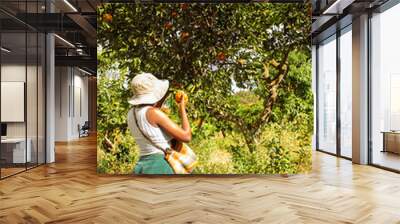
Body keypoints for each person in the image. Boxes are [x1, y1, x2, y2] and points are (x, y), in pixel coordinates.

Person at [127, 73, 191, 174]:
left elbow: (154, 107)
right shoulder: (153, 113)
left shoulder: (131, 113)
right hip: (160, 165)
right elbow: (186, 136)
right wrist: (182, 107)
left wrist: (167, 92)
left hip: (142, 165)